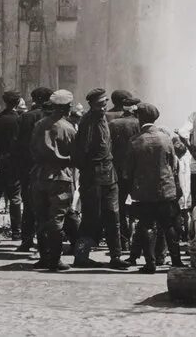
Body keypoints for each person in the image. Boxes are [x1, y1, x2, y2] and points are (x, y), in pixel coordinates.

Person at [125, 102, 183, 273]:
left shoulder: (135, 141)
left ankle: (150, 263)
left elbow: (128, 170)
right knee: (169, 225)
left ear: (140, 118)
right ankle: (177, 261)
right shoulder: (166, 139)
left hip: (144, 193)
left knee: (146, 225)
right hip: (166, 190)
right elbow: (173, 165)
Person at [72, 88, 125, 268]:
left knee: (113, 215)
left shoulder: (102, 119)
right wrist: (88, 172)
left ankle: (116, 257)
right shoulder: (88, 122)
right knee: (90, 217)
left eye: (105, 104)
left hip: (109, 175)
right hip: (93, 176)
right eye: (100, 105)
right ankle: (80, 256)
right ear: (92, 105)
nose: (103, 108)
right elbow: (81, 152)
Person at [30, 90, 76, 271]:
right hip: (60, 176)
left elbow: (32, 149)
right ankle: (55, 260)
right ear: (67, 107)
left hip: (39, 175)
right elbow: (75, 154)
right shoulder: (69, 128)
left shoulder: (39, 125)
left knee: (41, 218)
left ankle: (43, 257)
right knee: (57, 219)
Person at [13, 86, 53, 251]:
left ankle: (27, 240)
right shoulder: (52, 116)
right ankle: (48, 241)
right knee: (50, 205)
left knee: (29, 205)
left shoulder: (25, 117)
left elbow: (18, 144)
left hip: (28, 167)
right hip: (49, 167)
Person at [106, 88, 142, 254]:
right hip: (136, 170)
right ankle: (140, 242)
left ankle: (123, 241)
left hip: (117, 169)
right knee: (140, 204)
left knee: (117, 206)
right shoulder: (138, 122)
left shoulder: (109, 119)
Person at [0, 90, 23, 240]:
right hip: (14, 163)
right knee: (15, 198)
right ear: (17, 102)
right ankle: (16, 231)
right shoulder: (20, 120)